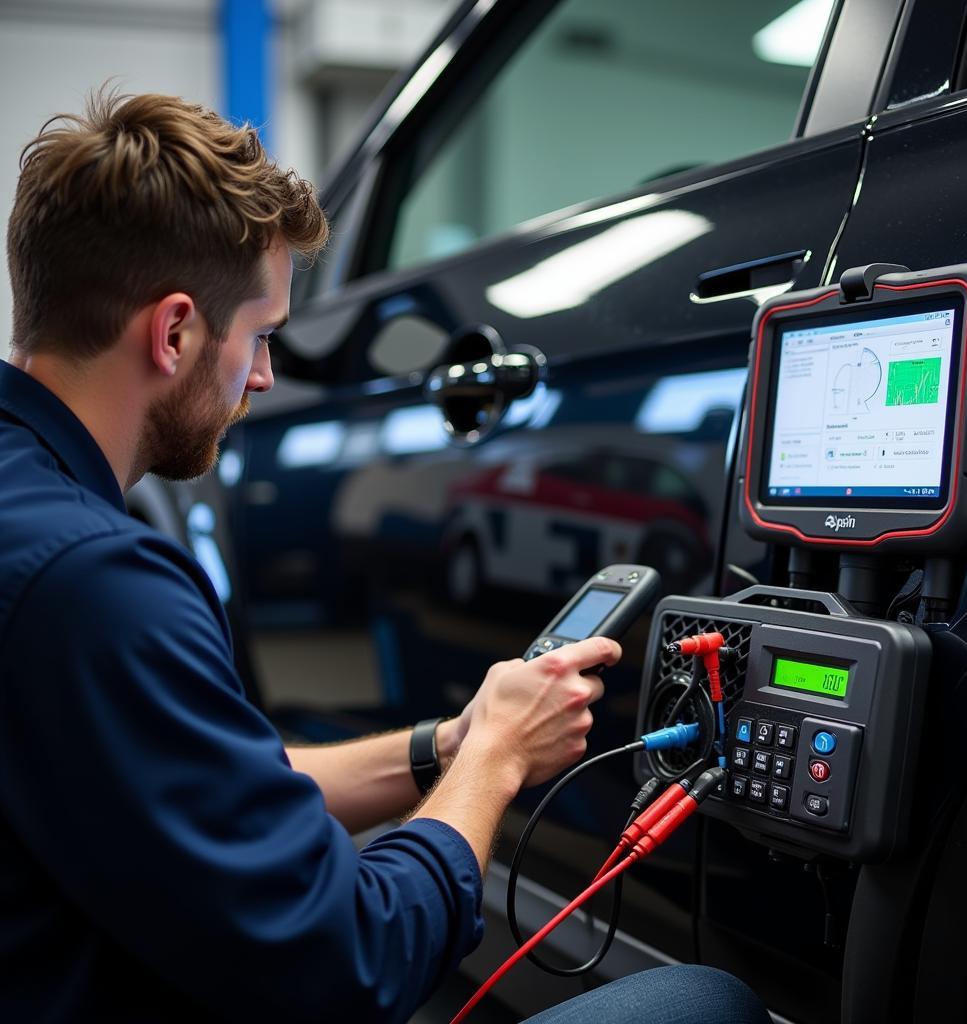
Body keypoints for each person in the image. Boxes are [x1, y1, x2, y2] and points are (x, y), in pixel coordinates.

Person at [0, 90, 769, 1024]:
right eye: (262, 335)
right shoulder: (96, 582)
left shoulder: (30, 516)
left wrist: (444, 746)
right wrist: (495, 760)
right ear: (172, 333)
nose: (266, 377)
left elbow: (207, 786)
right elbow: (349, 964)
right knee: (703, 1003)